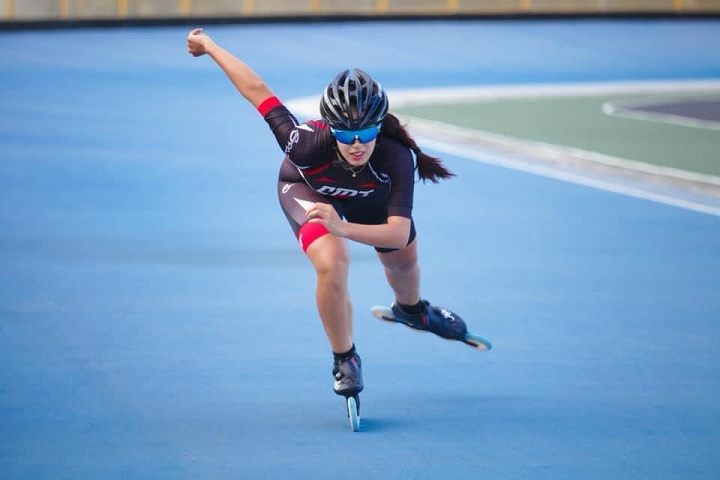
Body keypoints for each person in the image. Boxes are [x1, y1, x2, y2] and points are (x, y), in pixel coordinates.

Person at [187, 28, 469, 400]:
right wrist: (210, 46)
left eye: (367, 132)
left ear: (380, 126)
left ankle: (412, 310)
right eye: (346, 134)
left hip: (368, 196)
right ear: (331, 129)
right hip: (309, 192)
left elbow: (398, 233)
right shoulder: (305, 144)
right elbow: (257, 90)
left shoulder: (396, 156)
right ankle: (345, 358)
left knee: (402, 261)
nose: (357, 144)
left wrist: (344, 227)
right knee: (332, 263)